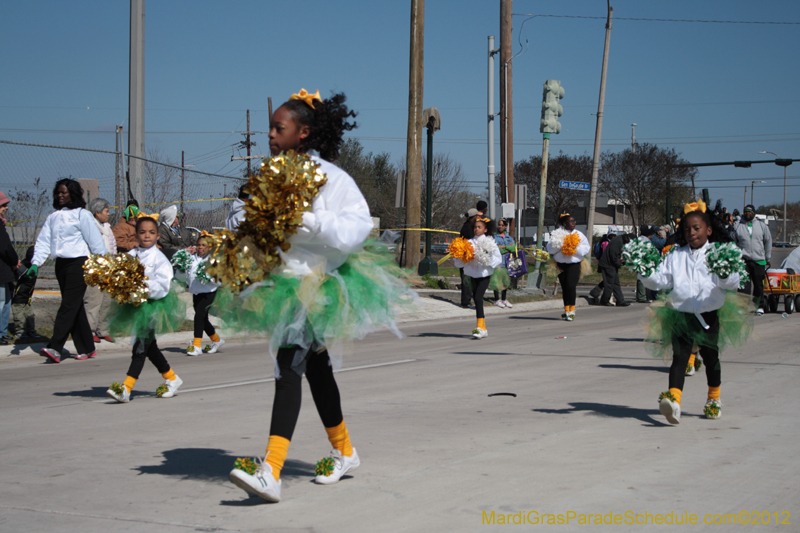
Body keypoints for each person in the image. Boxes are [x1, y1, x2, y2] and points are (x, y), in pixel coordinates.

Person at [227, 89, 412, 503]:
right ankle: (344, 451)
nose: (271, 135)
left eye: (279, 128)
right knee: (316, 369)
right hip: (279, 283)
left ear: (303, 132)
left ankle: (271, 471)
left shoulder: (331, 177)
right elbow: (242, 217)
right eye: (270, 128)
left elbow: (355, 229)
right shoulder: (268, 174)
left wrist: (305, 219)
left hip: (317, 284)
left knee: (288, 366)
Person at [639, 202, 751, 424]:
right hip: (681, 314)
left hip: (708, 314)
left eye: (697, 228)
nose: (691, 233)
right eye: (687, 229)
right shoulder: (676, 255)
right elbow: (661, 280)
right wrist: (645, 272)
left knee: (711, 358)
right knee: (679, 358)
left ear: (708, 230)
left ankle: (713, 398)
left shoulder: (719, 253)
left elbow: (731, 284)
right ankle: (674, 402)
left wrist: (725, 274)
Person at [25, 179, 106, 362]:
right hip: (61, 265)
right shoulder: (53, 217)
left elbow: (95, 241)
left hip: (79, 264)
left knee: (68, 305)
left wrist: (102, 263)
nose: (60, 195)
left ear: (73, 194)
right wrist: (36, 263)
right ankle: (87, 348)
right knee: (75, 306)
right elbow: (44, 242)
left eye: (64, 192)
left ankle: (55, 347)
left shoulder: (82, 215)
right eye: (58, 192)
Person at [105, 216, 184, 403]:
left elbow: (163, 286)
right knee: (149, 346)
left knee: (140, 347)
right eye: (142, 232)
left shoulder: (159, 258)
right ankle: (172, 378)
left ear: (158, 236)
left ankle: (126, 388)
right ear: (136, 234)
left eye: (151, 232)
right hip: (135, 306)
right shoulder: (131, 255)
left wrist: (142, 287)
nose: (147, 236)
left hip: (153, 306)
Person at [453, 216, 502, 338]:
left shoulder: (490, 243)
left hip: (484, 275)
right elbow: (459, 262)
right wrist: (462, 256)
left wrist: (486, 258)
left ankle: (480, 327)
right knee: (476, 299)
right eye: (475, 227)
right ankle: (483, 328)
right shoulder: (468, 243)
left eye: (479, 227)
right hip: (471, 275)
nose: (476, 229)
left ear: (485, 229)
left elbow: (498, 259)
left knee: (478, 298)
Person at [181, 233, 224, 356]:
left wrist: (209, 277)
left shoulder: (213, 260)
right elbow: (184, 272)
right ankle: (217, 340)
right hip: (196, 292)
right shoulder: (193, 258)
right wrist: (184, 255)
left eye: (204, 245)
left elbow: (220, 279)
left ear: (210, 247)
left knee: (199, 316)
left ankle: (197, 346)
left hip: (208, 292)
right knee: (203, 319)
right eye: (198, 245)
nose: (200, 247)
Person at [83, 198, 117, 343]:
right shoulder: (90, 227)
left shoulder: (107, 228)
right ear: (97, 212)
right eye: (106, 211)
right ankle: (89, 331)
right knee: (94, 301)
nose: (108, 214)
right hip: (95, 269)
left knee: (107, 301)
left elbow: (113, 247)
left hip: (108, 268)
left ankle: (103, 329)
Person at [547, 213, 591, 321]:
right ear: (564, 223)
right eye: (571, 221)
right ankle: (566, 310)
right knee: (565, 287)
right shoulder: (558, 234)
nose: (573, 223)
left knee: (571, 286)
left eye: (574, 221)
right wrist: (561, 245)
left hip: (574, 264)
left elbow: (586, 248)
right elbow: (550, 248)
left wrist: (574, 246)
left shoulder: (579, 234)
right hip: (560, 264)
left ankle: (572, 310)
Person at [733, 205, 772, 315]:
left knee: (758, 285)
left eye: (750, 212)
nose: (748, 213)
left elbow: (768, 241)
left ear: (754, 213)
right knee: (744, 285)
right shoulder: (738, 225)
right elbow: (734, 242)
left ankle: (759, 306)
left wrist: (767, 257)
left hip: (759, 260)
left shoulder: (761, 225)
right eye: (746, 211)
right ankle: (742, 307)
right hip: (743, 260)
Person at [11, 246, 45, 341]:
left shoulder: (33, 268)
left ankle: (30, 330)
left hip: (27, 297)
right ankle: (20, 331)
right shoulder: (23, 268)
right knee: (19, 315)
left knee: (29, 315)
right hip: (19, 297)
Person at [0, 190, 20, 345]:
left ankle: (2, 331)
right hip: (1, 271)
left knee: (6, 301)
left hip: (4, 271)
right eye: (3, 205)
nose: (6, 207)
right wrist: (14, 261)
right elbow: (5, 248)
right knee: (2, 302)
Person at [597, 232, 634, 307]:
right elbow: (613, 256)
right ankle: (604, 300)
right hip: (608, 265)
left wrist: (621, 261)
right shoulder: (618, 242)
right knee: (609, 284)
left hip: (611, 265)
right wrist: (619, 263)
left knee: (615, 283)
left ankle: (620, 300)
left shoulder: (620, 240)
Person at [458, 207, 480, 308]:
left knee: (468, 279)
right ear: (473, 217)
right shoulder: (468, 228)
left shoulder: (467, 226)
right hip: (466, 257)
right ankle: (466, 302)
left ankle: (467, 300)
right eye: (476, 216)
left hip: (467, 256)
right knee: (466, 279)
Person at [492, 218, 515, 308]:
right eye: (499, 225)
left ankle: (504, 299)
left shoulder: (509, 238)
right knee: (497, 280)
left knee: (505, 281)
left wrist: (503, 247)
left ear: (506, 226)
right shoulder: (494, 237)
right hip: (498, 262)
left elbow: (513, 248)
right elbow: (497, 249)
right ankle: (497, 299)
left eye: (502, 225)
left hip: (507, 262)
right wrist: (507, 248)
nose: (500, 227)